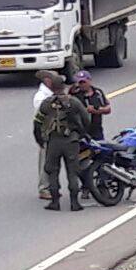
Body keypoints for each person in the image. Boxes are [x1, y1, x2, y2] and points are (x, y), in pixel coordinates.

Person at [35, 75, 91, 212]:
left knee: (52, 171)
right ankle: (74, 203)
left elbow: (37, 123)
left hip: (53, 142)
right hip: (71, 141)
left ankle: (55, 202)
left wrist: (40, 140)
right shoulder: (74, 102)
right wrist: (81, 134)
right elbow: (86, 119)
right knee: (72, 171)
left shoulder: (46, 103)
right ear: (64, 87)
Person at [32, 70, 57, 200]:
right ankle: (44, 188)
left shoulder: (54, 94)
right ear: (47, 81)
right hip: (47, 133)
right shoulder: (41, 97)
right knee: (46, 161)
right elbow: (41, 118)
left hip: (58, 133)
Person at [72, 70, 111, 140]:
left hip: (96, 130)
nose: (82, 85)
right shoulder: (75, 95)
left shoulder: (98, 92)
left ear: (89, 81)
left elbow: (108, 109)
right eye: (80, 83)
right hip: (82, 132)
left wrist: (96, 111)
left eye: (84, 82)